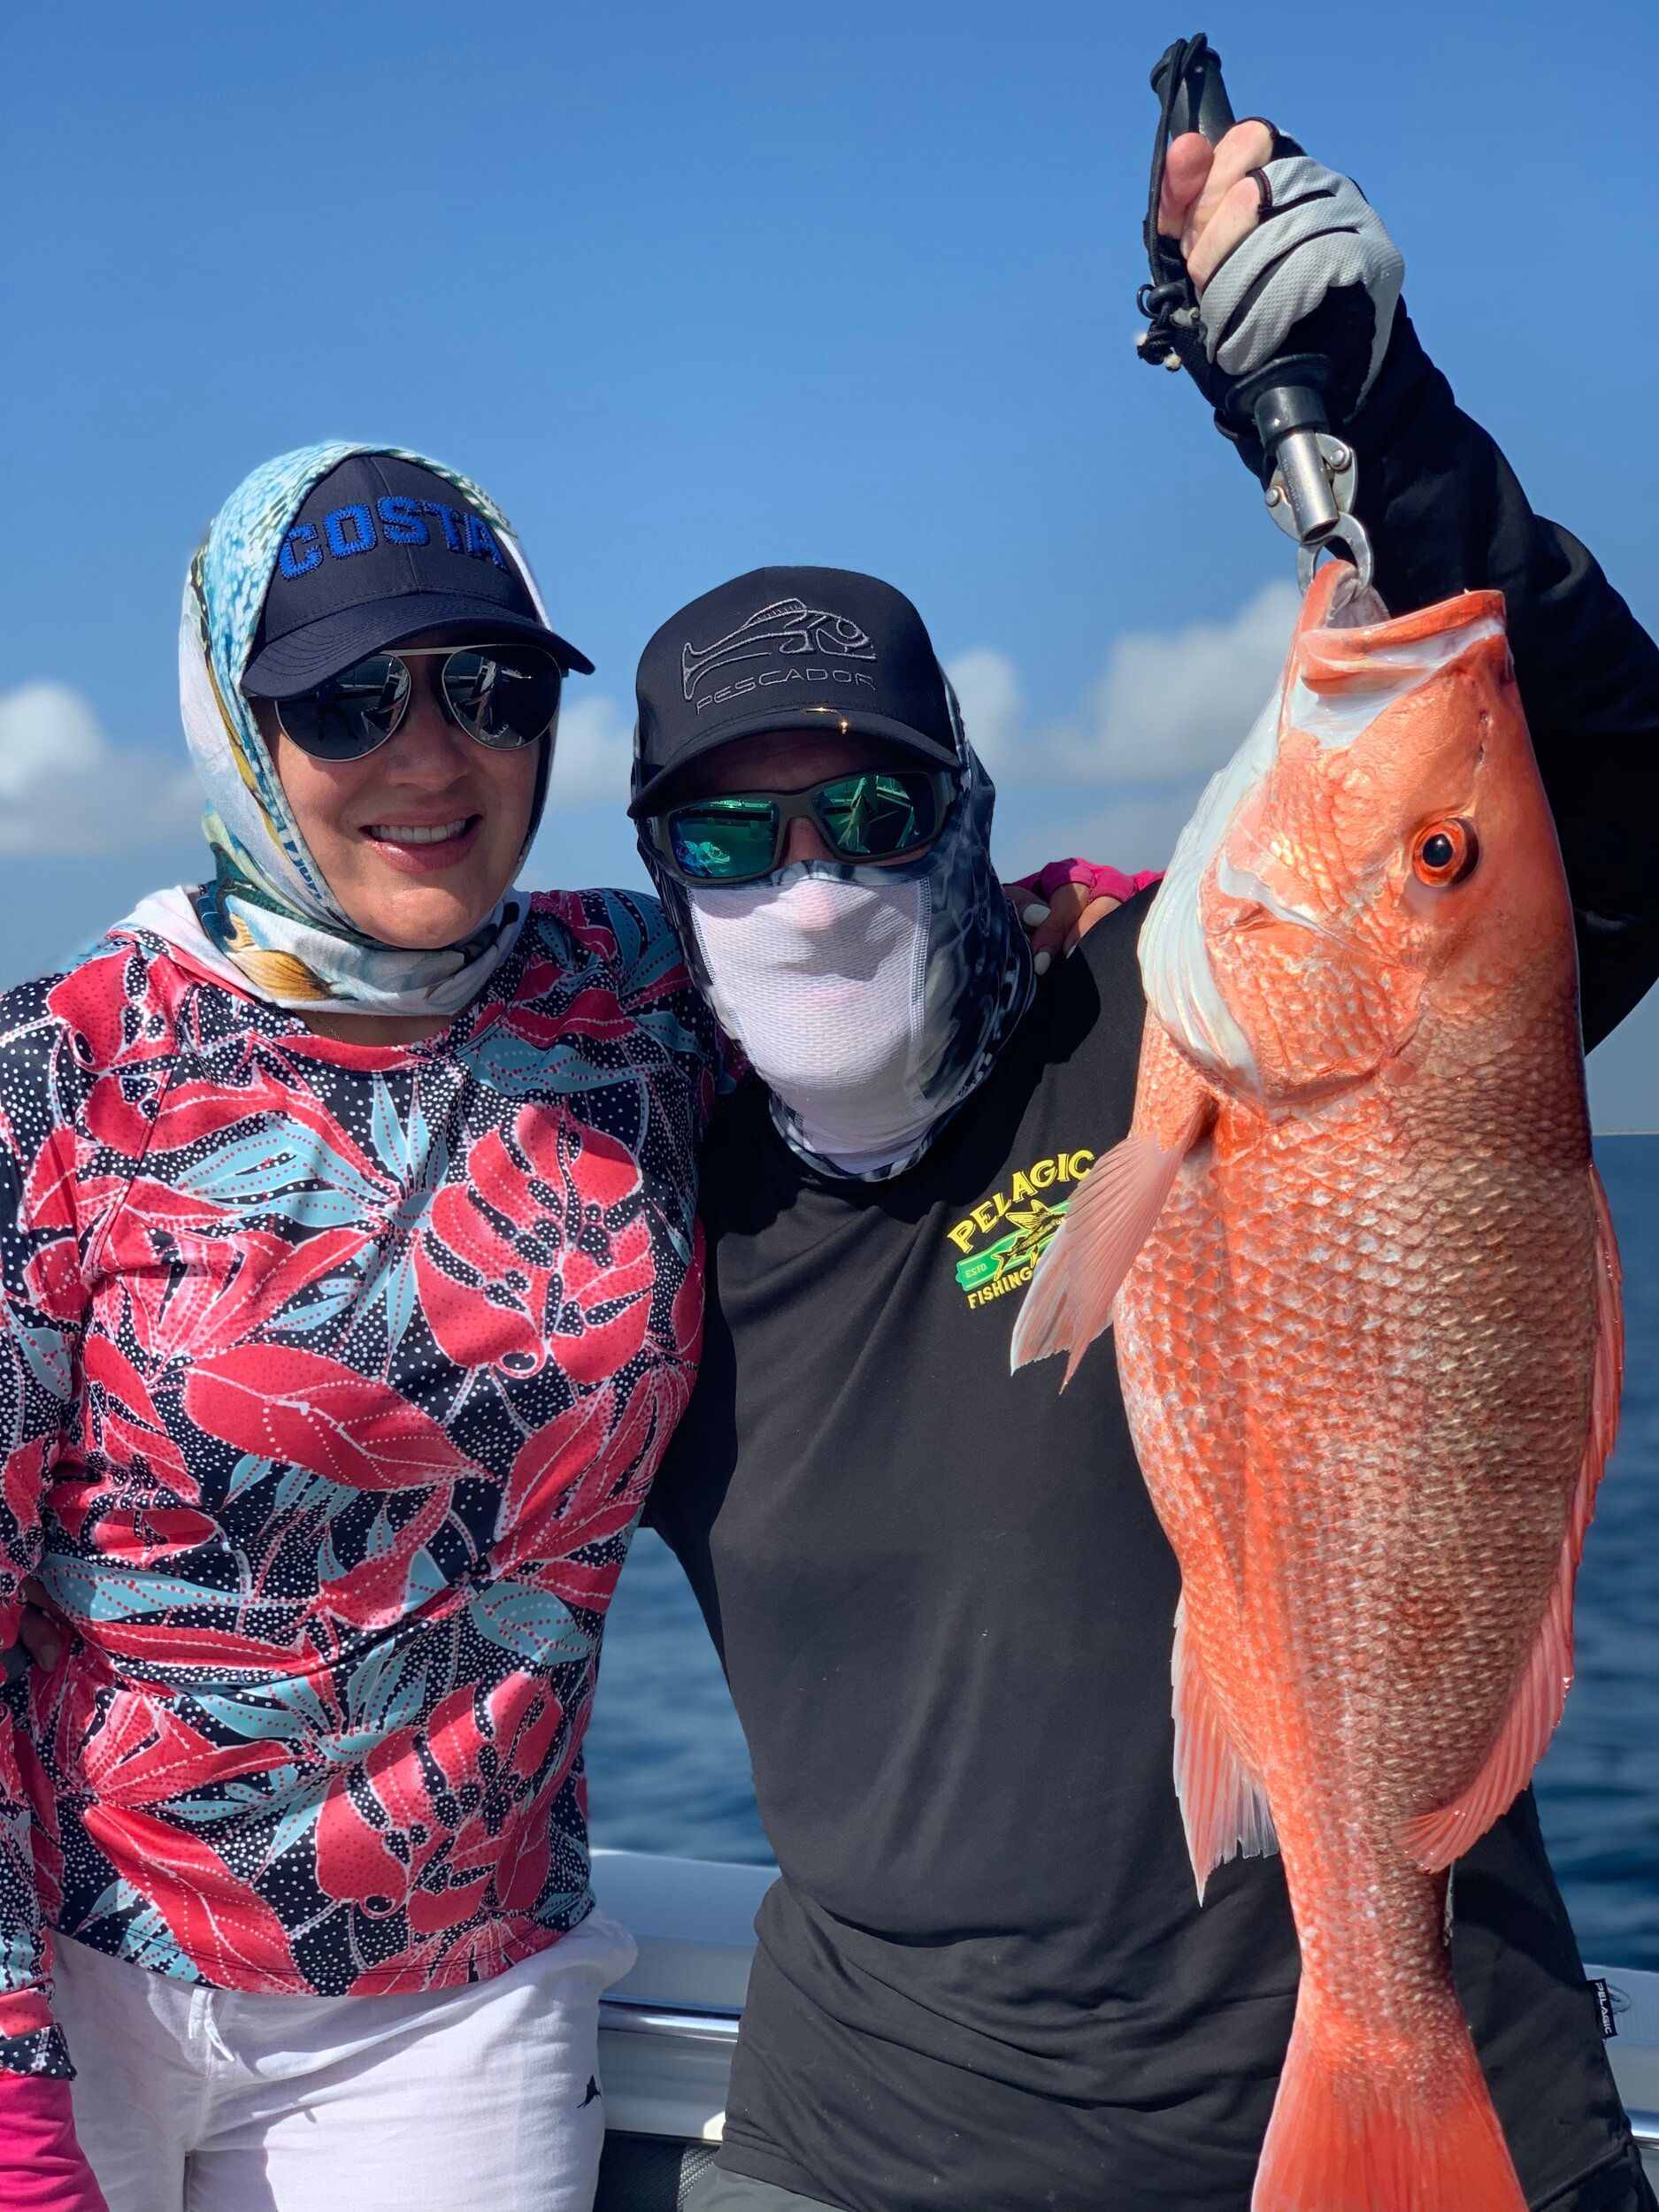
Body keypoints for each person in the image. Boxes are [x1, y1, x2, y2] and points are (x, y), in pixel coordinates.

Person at [630, 126, 1659, 2211]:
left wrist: (1371, 415)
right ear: (661, 879)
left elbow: (1601, 816)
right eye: (735, 841)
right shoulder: (625, 1198)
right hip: (873, 2150)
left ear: (969, 804)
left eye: (875, 805)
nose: (811, 879)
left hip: (1453, 2082)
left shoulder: (1146, 1011)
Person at [0, 443, 729, 2211]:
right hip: (82, 1983)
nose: (429, 755)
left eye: (486, 687)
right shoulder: (67, 1071)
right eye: (342, 702)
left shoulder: (648, 1000)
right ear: (242, 738)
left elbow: (993, 961)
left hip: (458, 2011)